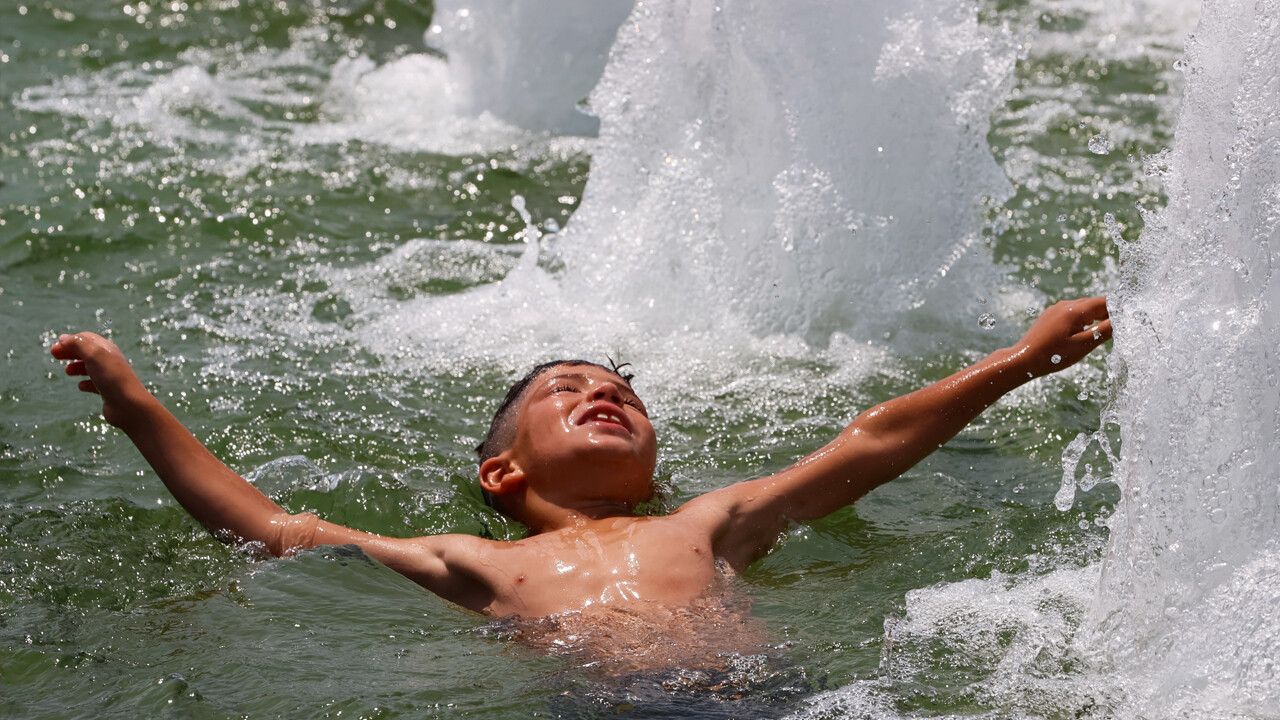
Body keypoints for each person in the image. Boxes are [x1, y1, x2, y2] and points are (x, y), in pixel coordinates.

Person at [50, 297, 1111, 624]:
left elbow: (868, 442)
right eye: (566, 393)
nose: (604, 392)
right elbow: (271, 528)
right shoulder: (473, 560)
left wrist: (1014, 363)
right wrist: (139, 407)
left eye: (623, 394)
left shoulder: (705, 523)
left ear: (653, 465)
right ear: (502, 475)